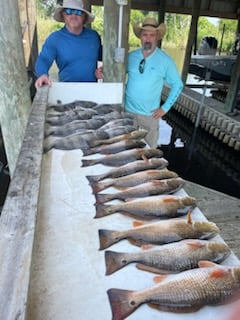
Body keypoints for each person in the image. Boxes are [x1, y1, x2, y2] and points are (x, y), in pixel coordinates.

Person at [124, 17, 183, 148]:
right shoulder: (130, 56)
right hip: (128, 111)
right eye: (145, 34)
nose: (148, 38)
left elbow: (178, 85)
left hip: (150, 116)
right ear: (140, 37)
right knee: (126, 147)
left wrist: (165, 108)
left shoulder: (165, 60)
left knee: (150, 151)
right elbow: (117, 75)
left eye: (152, 35)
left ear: (157, 37)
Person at [35, 0, 103, 88]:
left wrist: (104, 68)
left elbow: (105, 56)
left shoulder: (94, 36)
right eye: (68, 11)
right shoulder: (55, 38)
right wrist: (42, 74)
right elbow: (44, 59)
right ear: (63, 15)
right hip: (66, 90)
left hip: (92, 90)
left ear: (84, 16)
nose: (73, 16)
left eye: (78, 12)